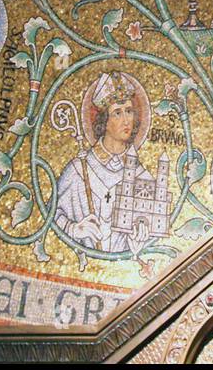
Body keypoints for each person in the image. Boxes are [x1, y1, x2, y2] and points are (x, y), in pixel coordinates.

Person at [54, 71, 159, 252]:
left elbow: (154, 232)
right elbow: (53, 215)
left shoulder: (143, 178)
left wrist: (139, 238)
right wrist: (73, 229)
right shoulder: (79, 169)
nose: (126, 120)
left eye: (129, 111)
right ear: (104, 121)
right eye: (117, 113)